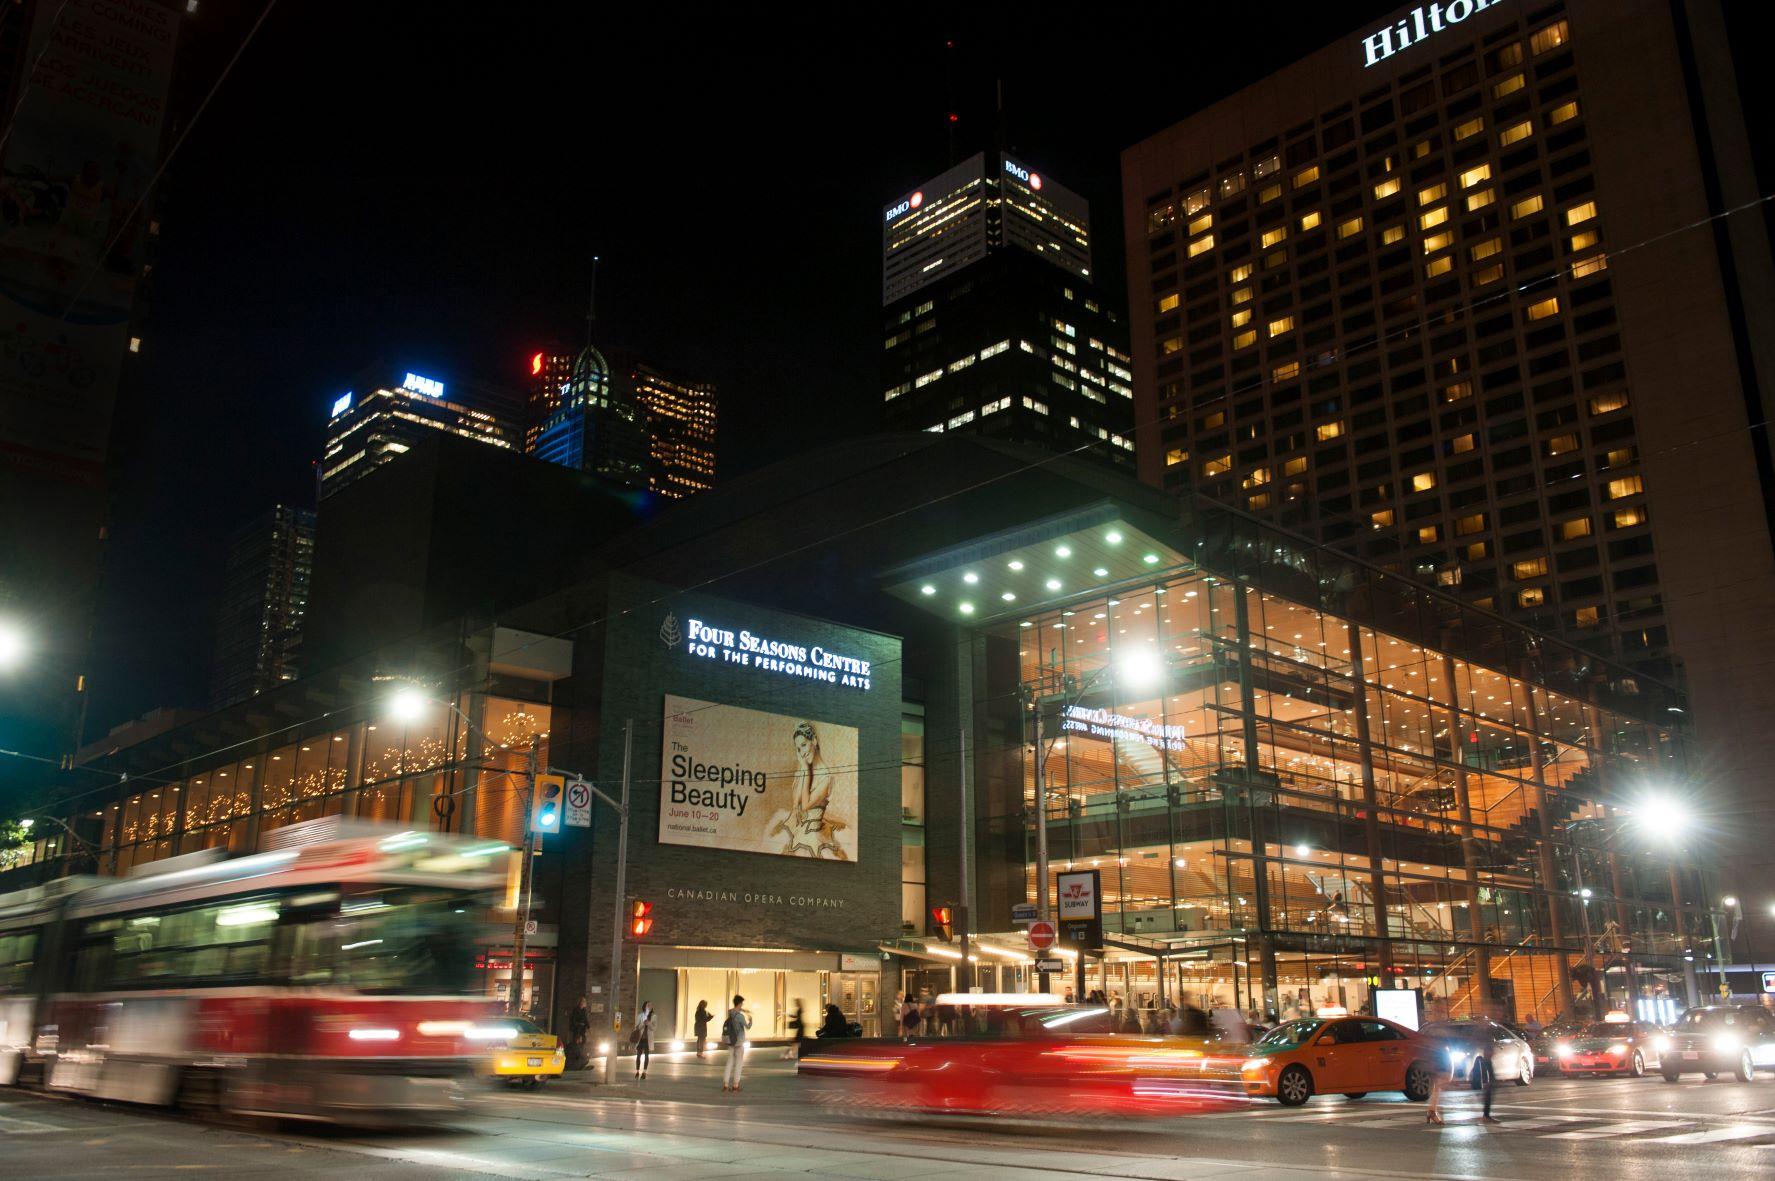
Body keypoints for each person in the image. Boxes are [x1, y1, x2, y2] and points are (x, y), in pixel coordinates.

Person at [768, 722, 849, 859]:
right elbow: (796, 801)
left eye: (804, 745)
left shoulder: (826, 778)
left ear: (814, 741)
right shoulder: (804, 768)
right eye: (798, 749)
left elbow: (805, 806)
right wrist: (803, 771)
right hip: (799, 826)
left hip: (814, 831)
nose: (802, 752)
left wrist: (805, 769)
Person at [722, 995, 751, 1092]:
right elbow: (747, 1027)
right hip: (739, 1042)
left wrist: (741, 1009)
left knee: (729, 1062)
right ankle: (735, 1085)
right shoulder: (740, 1016)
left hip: (730, 1041)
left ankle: (725, 1084)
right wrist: (750, 1020)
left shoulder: (730, 1013)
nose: (742, 1005)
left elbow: (734, 1011)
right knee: (738, 1063)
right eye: (741, 1003)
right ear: (739, 1003)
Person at [632, 1001, 655, 1081]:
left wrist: (649, 1024)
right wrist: (643, 1024)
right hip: (640, 1039)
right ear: (645, 1006)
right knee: (638, 1055)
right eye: (648, 1005)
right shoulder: (640, 1016)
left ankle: (644, 1072)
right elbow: (636, 1027)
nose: (650, 1006)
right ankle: (637, 1071)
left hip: (648, 1040)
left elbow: (654, 1028)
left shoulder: (654, 1016)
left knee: (646, 1056)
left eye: (651, 1005)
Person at [567, 997, 591, 1070]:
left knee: (582, 1043)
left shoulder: (584, 1010)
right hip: (577, 1030)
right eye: (583, 1002)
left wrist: (588, 1026)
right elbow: (574, 1021)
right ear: (581, 1003)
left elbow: (585, 1019)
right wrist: (578, 1031)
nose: (585, 1003)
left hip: (582, 1030)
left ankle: (580, 1060)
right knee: (577, 1045)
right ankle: (577, 1061)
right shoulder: (576, 1010)